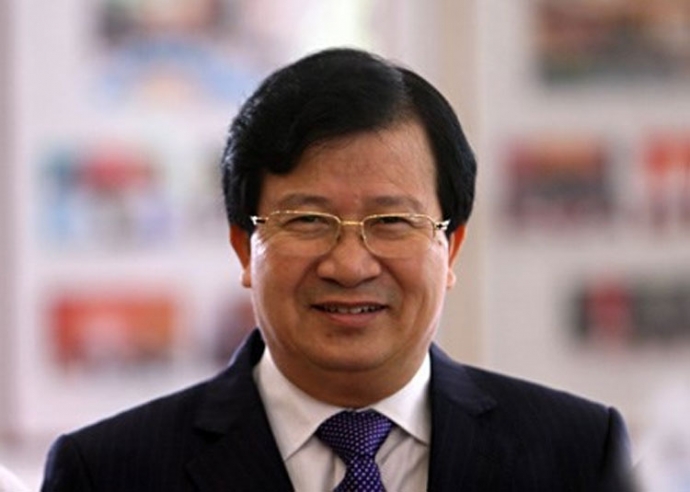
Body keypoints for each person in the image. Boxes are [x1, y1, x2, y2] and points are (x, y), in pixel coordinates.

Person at [40, 47, 634, 491]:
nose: (349, 265)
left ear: (450, 248)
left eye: (391, 221)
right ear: (245, 247)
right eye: (307, 220)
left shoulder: (578, 454)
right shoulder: (107, 473)